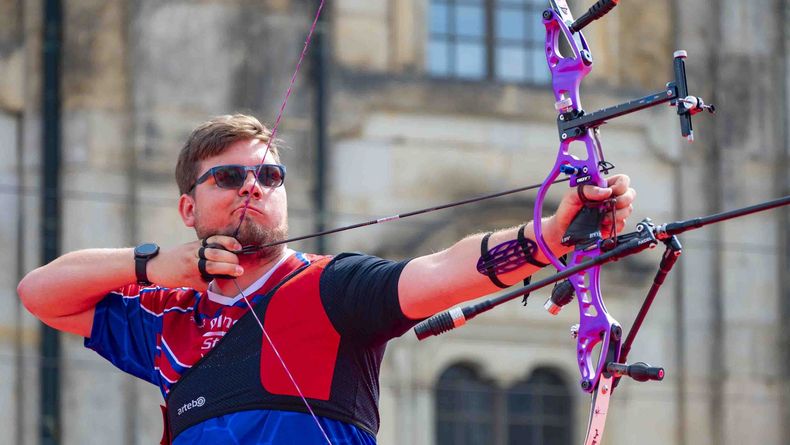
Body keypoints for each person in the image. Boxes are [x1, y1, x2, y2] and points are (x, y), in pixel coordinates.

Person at [17, 114, 636, 444]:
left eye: (269, 178)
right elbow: (39, 293)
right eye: (228, 178)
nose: (252, 188)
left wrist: (551, 236)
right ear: (189, 208)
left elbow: (444, 271)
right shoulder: (165, 315)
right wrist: (153, 266)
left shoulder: (333, 289)